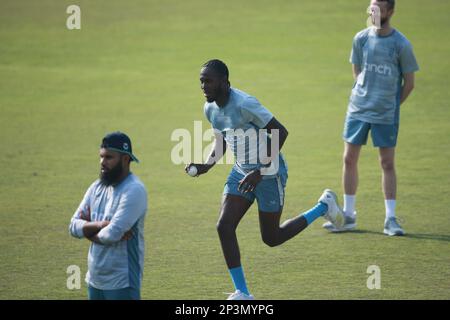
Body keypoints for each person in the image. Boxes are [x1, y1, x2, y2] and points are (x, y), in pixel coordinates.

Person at [186, 59, 345, 300]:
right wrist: (206, 165)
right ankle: (243, 293)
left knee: (272, 238)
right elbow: (222, 141)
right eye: (201, 81)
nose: (203, 86)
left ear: (225, 82)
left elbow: (280, 131)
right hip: (241, 172)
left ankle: (324, 206)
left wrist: (260, 171)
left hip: (269, 174)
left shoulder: (244, 104)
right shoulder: (209, 109)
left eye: (208, 81)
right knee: (224, 226)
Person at [324, 0, 419, 236]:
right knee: (349, 159)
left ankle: (390, 219)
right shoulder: (361, 38)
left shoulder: (401, 44)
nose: (372, 11)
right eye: (371, 7)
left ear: (390, 12)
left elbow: (409, 83)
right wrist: (362, 90)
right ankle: (348, 216)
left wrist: (391, 104)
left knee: (386, 163)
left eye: (378, 8)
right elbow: (357, 69)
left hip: (385, 113)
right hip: (358, 109)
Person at [69, 132, 148, 300]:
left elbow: (110, 236)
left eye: (109, 158)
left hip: (122, 282)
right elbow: (73, 226)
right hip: (94, 280)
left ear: (126, 159)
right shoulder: (96, 187)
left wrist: (87, 230)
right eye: (101, 157)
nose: (102, 163)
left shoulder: (134, 190)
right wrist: (101, 225)